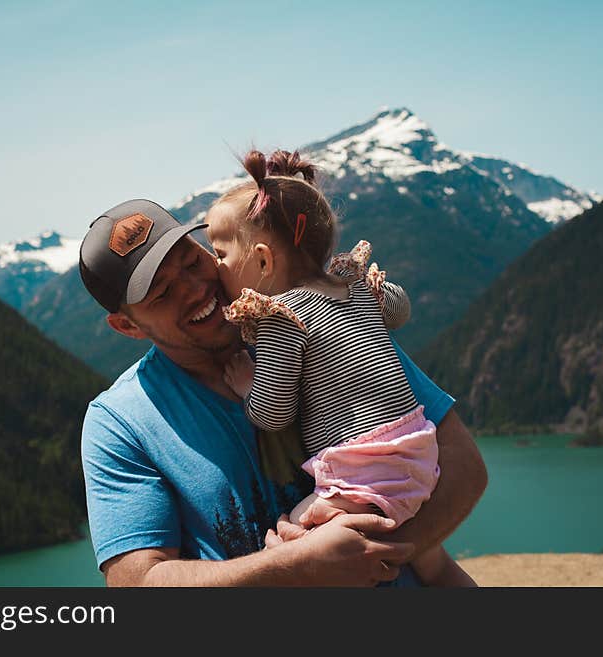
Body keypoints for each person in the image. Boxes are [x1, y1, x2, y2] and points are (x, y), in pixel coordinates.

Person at [79, 196, 487, 586]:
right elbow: (139, 582)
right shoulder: (118, 423)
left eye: (191, 260)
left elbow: (464, 466)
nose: (194, 288)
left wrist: (374, 555)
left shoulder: (322, 315)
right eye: (163, 293)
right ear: (127, 326)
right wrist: (299, 569)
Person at [208, 149, 475, 586]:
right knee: (433, 563)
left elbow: (274, 413)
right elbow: (399, 309)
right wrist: (374, 291)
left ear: (262, 259)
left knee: (294, 543)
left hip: (361, 469)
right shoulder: (354, 288)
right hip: (418, 450)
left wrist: (246, 386)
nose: (214, 266)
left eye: (220, 253)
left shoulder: (282, 317)